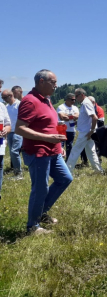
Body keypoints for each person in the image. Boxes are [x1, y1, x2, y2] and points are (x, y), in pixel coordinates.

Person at [15, 69, 72, 234]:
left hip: (53, 151)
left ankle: (40, 213)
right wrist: (47, 139)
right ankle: (32, 226)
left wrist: (59, 146)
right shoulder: (30, 101)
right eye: (53, 82)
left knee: (65, 178)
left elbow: (50, 125)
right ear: (41, 81)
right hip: (38, 152)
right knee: (40, 188)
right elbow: (20, 129)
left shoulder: (46, 100)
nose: (56, 85)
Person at [66, 88, 103, 174]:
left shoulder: (86, 103)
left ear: (81, 95)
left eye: (76, 96)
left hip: (86, 132)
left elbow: (94, 117)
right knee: (91, 151)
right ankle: (98, 171)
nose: (75, 98)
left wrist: (91, 131)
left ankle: (67, 171)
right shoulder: (85, 103)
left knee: (75, 150)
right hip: (87, 132)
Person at [2, 90, 23, 179]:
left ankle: (19, 173)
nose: (3, 99)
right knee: (11, 152)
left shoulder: (19, 104)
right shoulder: (6, 107)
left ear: (11, 95)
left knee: (14, 151)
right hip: (10, 132)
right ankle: (15, 169)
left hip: (18, 131)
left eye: (4, 97)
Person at [57, 93, 79, 161]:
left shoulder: (75, 107)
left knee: (70, 146)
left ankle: (68, 161)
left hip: (71, 130)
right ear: (67, 99)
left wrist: (68, 116)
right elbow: (62, 117)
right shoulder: (61, 107)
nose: (74, 101)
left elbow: (77, 116)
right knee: (60, 146)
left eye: (75, 99)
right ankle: (60, 160)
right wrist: (72, 116)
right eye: (72, 99)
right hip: (62, 129)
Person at [0, 102, 11, 199]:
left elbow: (8, 124)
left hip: (0, 144)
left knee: (0, 167)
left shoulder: (1, 106)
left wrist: (5, 130)